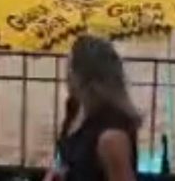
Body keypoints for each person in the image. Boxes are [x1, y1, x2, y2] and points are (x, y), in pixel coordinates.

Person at [49, 35, 140, 181]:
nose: (66, 76)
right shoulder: (76, 109)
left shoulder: (111, 137)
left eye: (70, 69)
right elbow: (64, 162)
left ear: (84, 78)